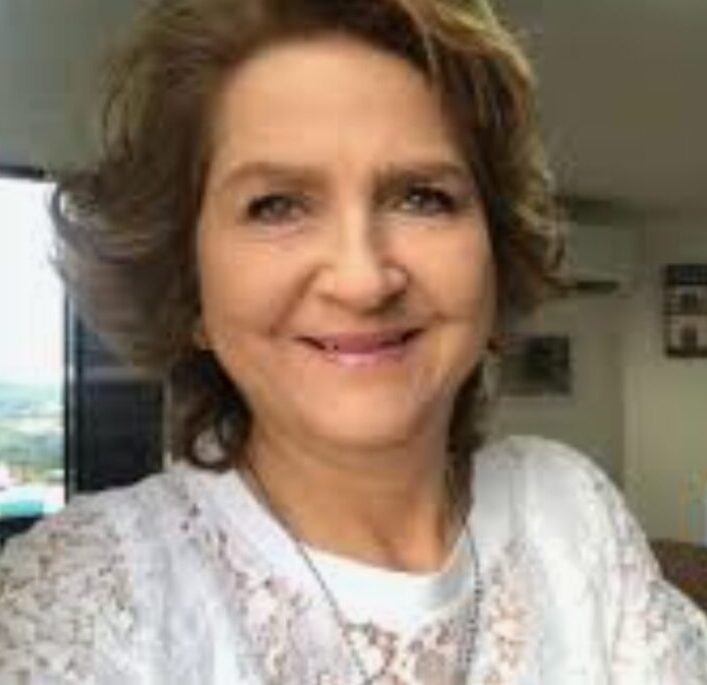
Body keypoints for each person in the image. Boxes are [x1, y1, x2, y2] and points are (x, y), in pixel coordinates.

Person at [0, 0, 705, 682]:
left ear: (495, 256)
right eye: (276, 205)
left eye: (423, 196)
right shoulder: (86, 596)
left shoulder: (569, 512)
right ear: (189, 287)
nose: (363, 280)